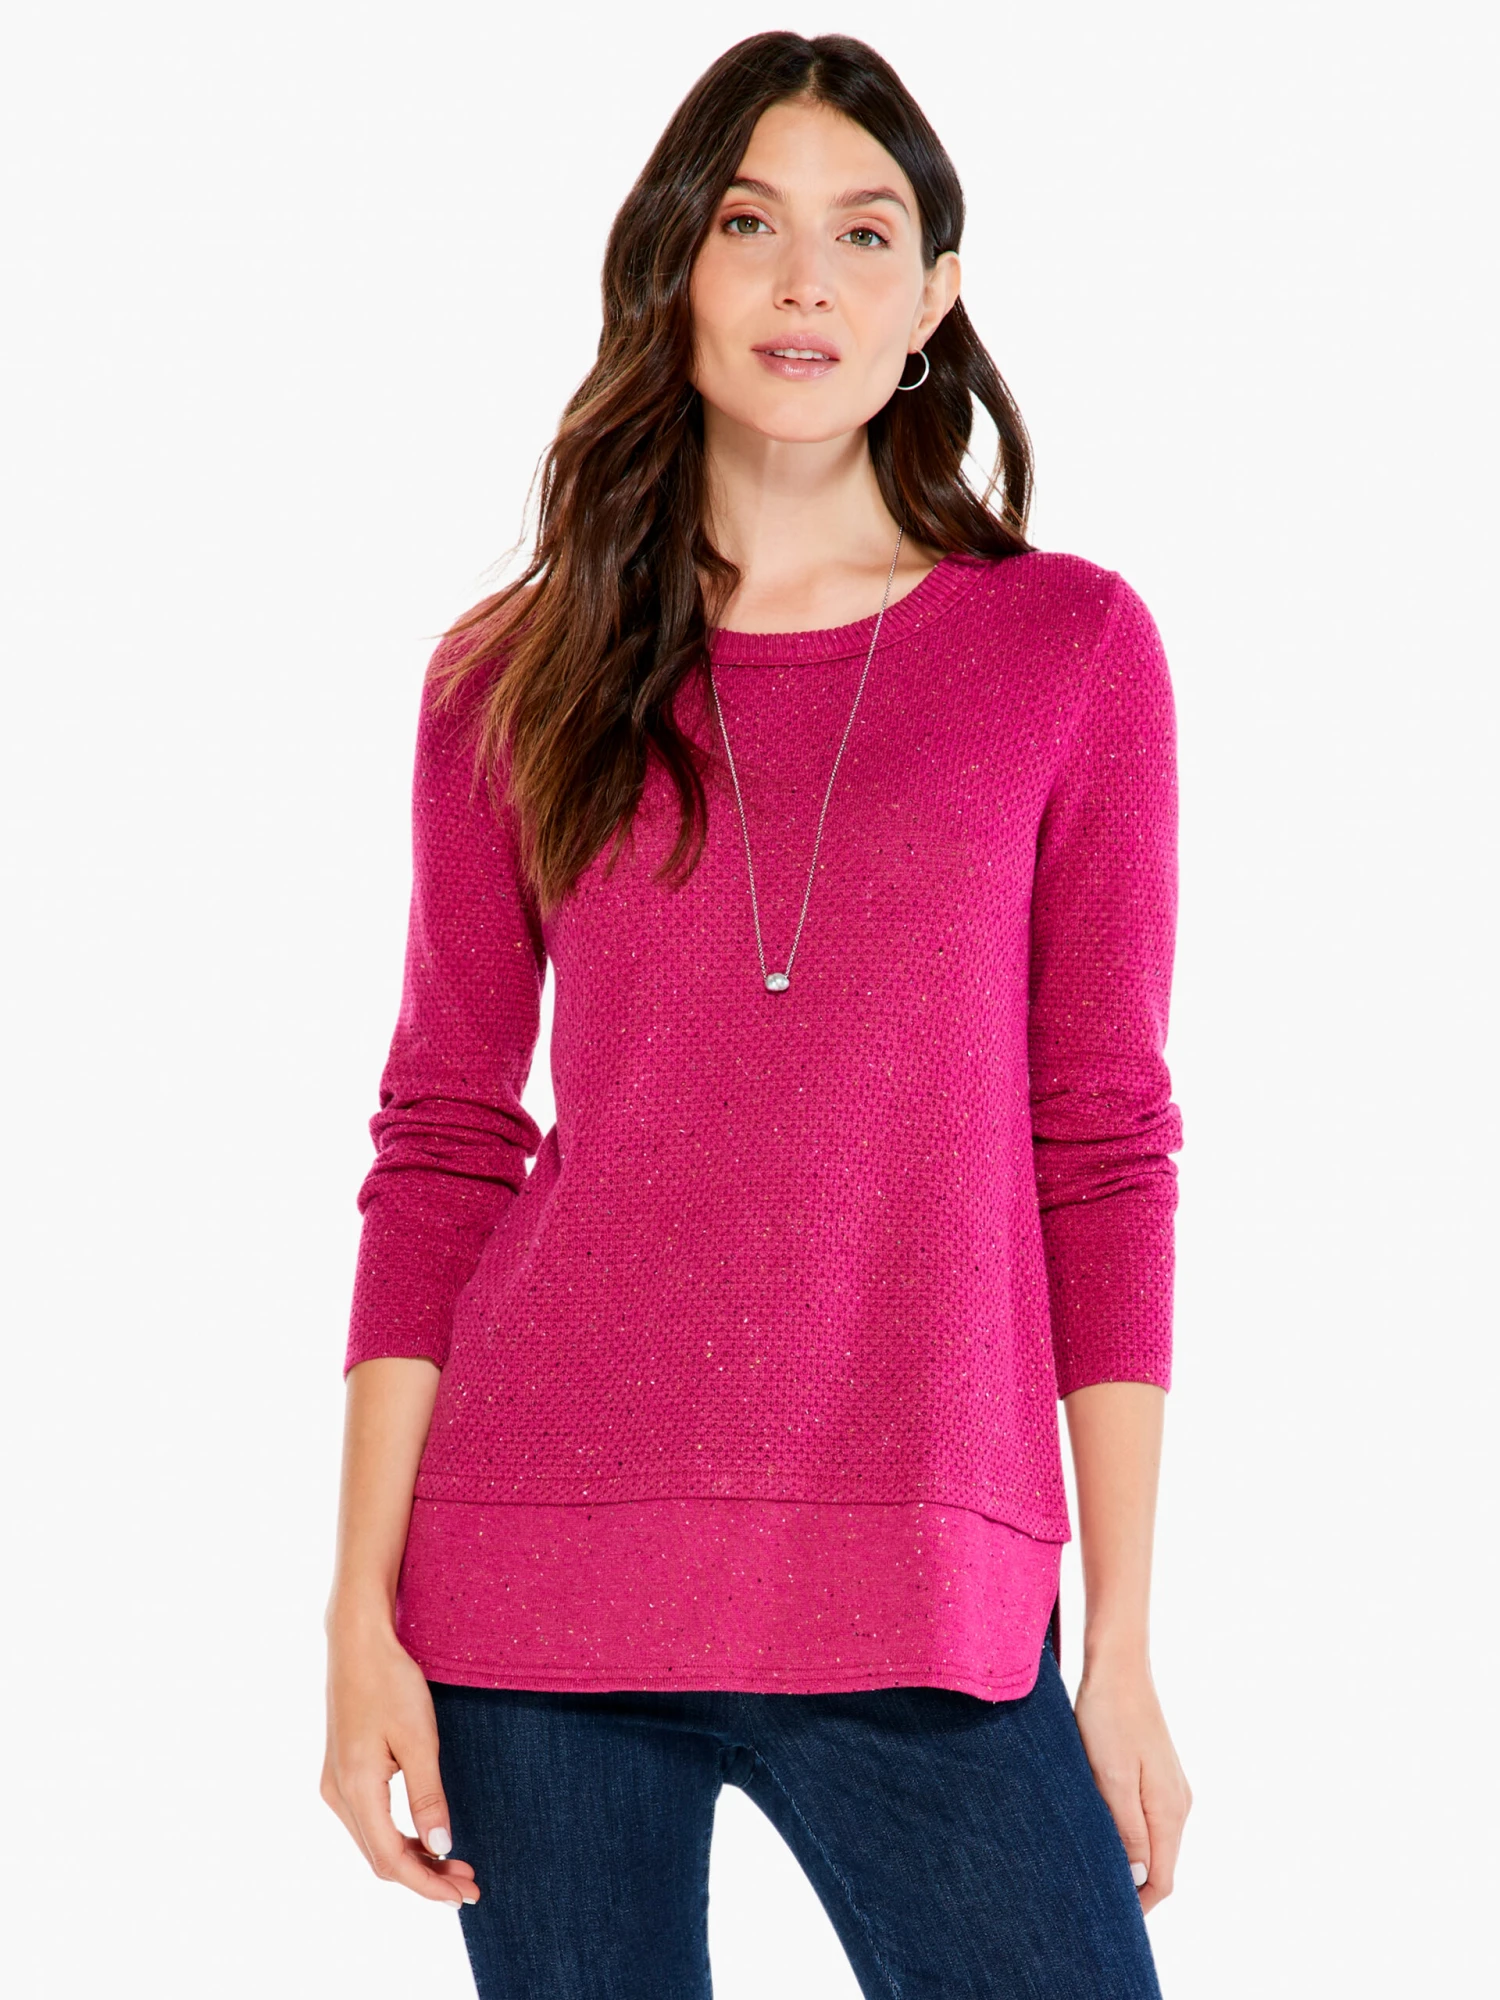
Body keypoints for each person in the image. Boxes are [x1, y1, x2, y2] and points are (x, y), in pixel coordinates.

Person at [321, 30, 1192, 1998]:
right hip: (535, 1586)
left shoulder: (1065, 650)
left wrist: (1124, 1643)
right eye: (749, 225)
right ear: (675, 266)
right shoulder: (510, 676)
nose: (807, 281)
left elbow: (1103, 1145)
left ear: (934, 298)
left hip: (930, 1594)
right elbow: (443, 1138)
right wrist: (356, 1613)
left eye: (864, 234)